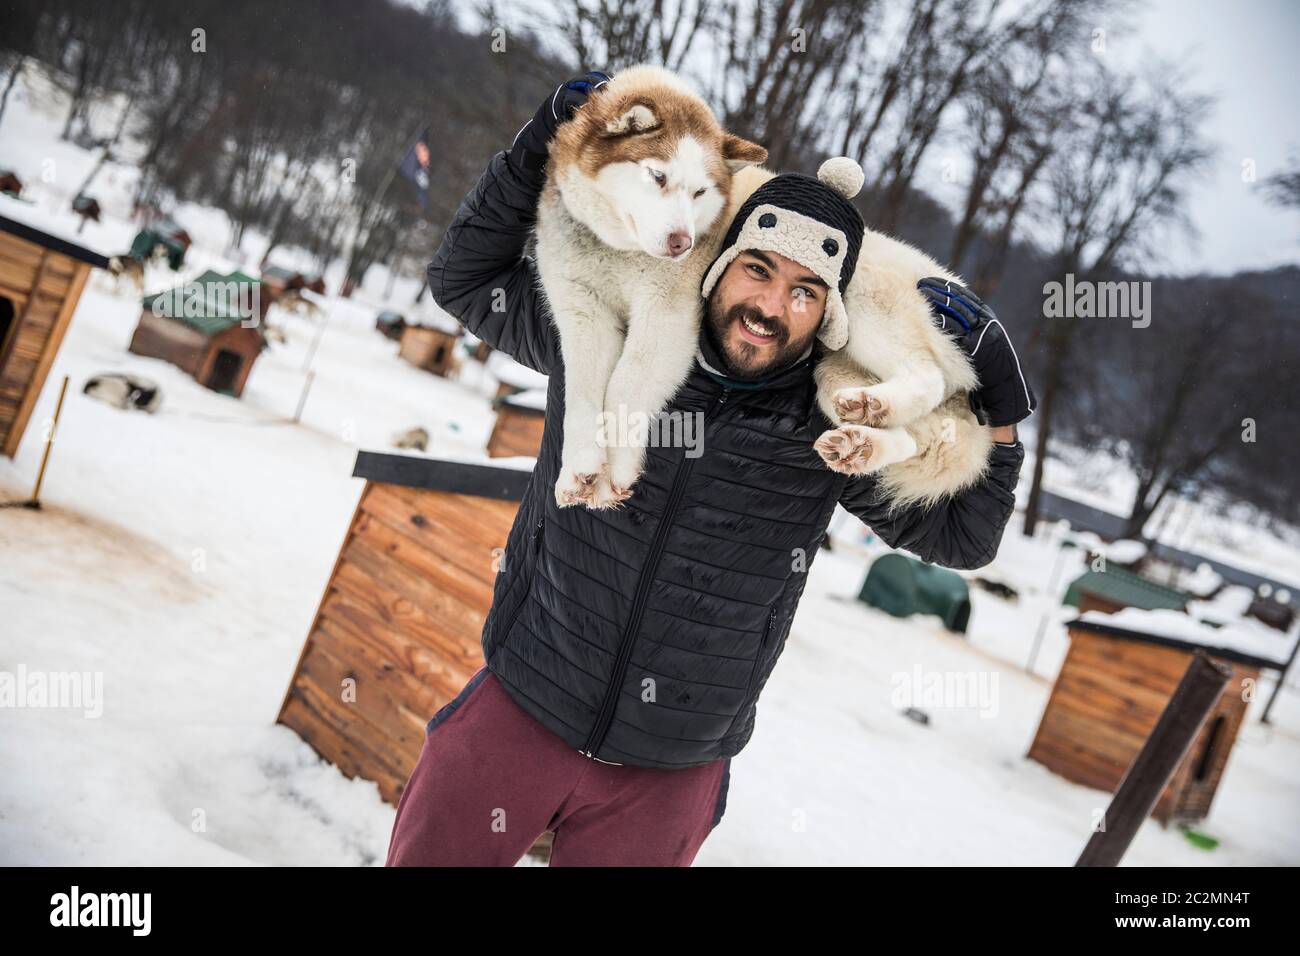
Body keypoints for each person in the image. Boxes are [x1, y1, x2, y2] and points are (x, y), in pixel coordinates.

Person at [386, 72, 1036, 867]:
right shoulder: (609, 333)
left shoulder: (830, 426)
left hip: (669, 771)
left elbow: (965, 540)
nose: (772, 305)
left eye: (805, 291)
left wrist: (1002, 411)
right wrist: (548, 142)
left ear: (829, 313)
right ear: (716, 261)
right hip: (521, 707)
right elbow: (465, 280)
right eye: (757, 269)